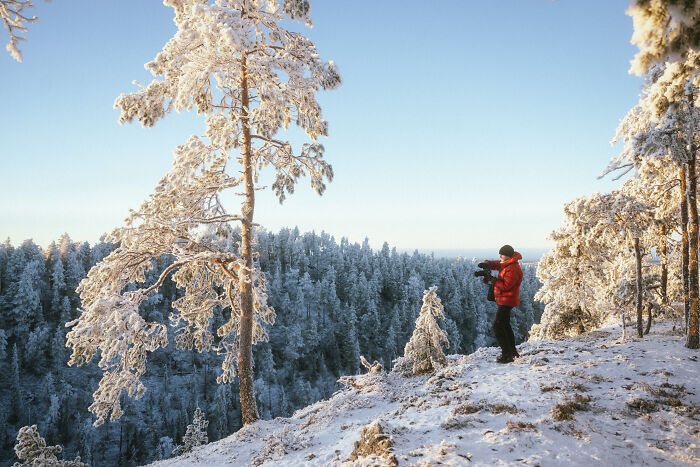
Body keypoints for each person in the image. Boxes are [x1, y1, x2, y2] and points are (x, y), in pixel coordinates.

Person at [481, 245, 523, 363]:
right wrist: (487, 263)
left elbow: (506, 286)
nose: (500, 256)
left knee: (498, 326)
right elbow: (497, 264)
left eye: (502, 254)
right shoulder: (507, 264)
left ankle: (506, 355)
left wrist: (493, 280)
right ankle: (513, 352)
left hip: (507, 300)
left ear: (508, 256)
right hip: (504, 300)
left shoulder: (513, 269)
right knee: (505, 325)